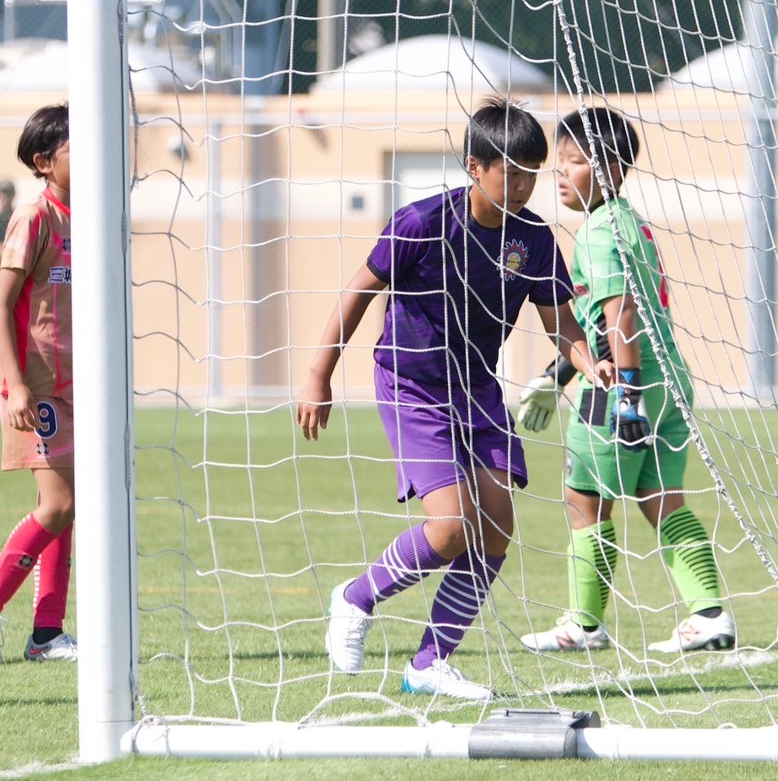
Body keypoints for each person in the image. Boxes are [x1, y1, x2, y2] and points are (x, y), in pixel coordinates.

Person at [296, 98, 615, 701]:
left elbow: (562, 323)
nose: (521, 187)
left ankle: (429, 663)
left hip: (478, 388)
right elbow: (359, 292)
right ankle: (355, 598)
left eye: (530, 175)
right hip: (411, 385)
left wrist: (588, 361)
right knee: (449, 528)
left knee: (495, 529)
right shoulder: (421, 222)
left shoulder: (534, 240)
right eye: (510, 173)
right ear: (475, 166)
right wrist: (319, 374)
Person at [517, 107, 734, 655]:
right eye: (559, 162)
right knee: (661, 496)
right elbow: (612, 318)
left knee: (583, 496)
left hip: (624, 386)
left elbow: (621, 316)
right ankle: (710, 615)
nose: (560, 174)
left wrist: (627, 396)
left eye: (574, 162)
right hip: (669, 381)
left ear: (611, 169)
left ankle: (584, 624)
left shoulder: (595, 233)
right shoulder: (629, 221)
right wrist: (559, 374)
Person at [0, 103, 78, 664]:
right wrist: (16, 383)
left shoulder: (88, 219)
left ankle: (47, 633)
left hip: (76, 390)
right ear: (44, 162)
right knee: (59, 504)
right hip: (37, 389)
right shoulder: (34, 218)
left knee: (67, 508)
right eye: (76, 147)